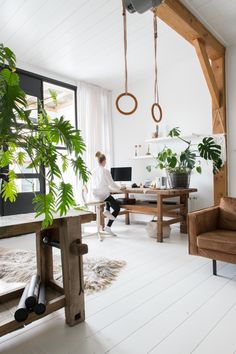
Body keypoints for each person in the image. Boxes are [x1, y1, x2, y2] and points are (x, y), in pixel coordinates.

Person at [91, 151, 124, 236]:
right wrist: (120, 188)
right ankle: (108, 226)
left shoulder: (93, 170)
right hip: (103, 195)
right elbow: (111, 183)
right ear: (104, 161)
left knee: (108, 196)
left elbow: (100, 184)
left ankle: (107, 210)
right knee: (117, 208)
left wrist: (110, 188)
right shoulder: (105, 170)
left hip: (95, 195)